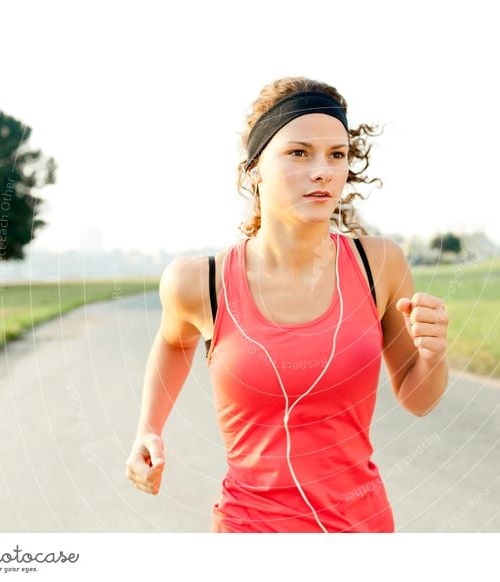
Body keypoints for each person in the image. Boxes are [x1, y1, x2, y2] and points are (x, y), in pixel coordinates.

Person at [125, 76, 449, 533]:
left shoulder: (380, 265)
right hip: (249, 529)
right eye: (299, 152)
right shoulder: (200, 283)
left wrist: (433, 356)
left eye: (337, 155)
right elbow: (175, 344)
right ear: (255, 167)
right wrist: (148, 428)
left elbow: (418, 400)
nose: (323, 171)